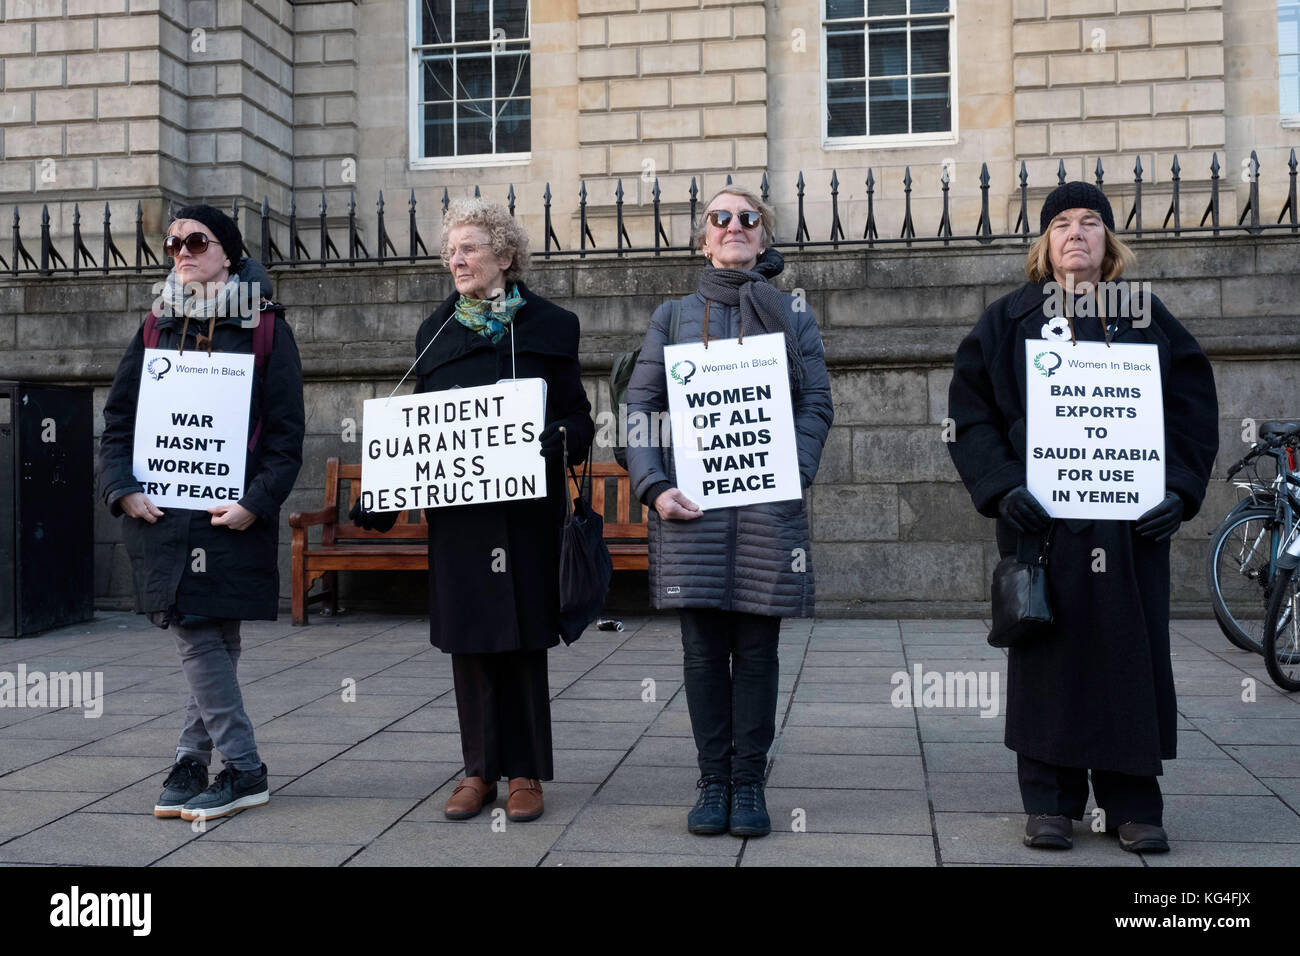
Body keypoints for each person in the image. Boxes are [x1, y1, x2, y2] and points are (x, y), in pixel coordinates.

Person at [946, 182, 1218, 854]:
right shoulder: (1007, 320)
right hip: (1044, 525)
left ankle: (1132, 803)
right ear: (1044, 243)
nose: (1076, 233)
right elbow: (969, 414)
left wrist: (1179, 490)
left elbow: (1191, 409)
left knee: (1130, 654)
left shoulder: (1147, 317)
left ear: (1108, 241)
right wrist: (1000, 483)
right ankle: (1050, 802)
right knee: (1047, 653)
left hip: (1128, 531)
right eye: (1061, 223)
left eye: (1090, 222)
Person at [351, 198, 593, 823]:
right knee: (471, 643)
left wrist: (550, 440)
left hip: (524, 515)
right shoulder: (434, 331)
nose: (456, 260)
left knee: (521, 641)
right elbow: (417, 429)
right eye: (450, 251)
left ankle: (526, 773)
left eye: (469, 249)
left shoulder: (551, 325)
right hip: (460, 518)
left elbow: (578, 420)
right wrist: (382, 490)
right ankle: (477, 770)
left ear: (506, 257)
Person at [625, 185, 834, 838]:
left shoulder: (791, 315)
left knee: (758, 648)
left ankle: (749, 784)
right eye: (721, 217)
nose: (735, 225)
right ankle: (712, 780)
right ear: (704, 237)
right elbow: (639, 410)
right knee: (701, 650)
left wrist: (790, 471)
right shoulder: (673, 316)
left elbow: (816, 403)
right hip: (692, 510)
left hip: (765, 508)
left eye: (749, 218)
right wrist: (655, 486)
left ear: (764, 240)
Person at [98, 203, 305, 822]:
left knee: (214, 631)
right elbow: (118, 423)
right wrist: (122, 488)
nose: (183, 251)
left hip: (228, 515)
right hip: (162, 514)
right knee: (197, 628)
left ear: (231, 254)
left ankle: (241, 769)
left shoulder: (266, 327)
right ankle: (201, 758)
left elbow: (286, 438)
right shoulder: (156, 325)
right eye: (173, 244)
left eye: (197, 241)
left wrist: (254, 503)